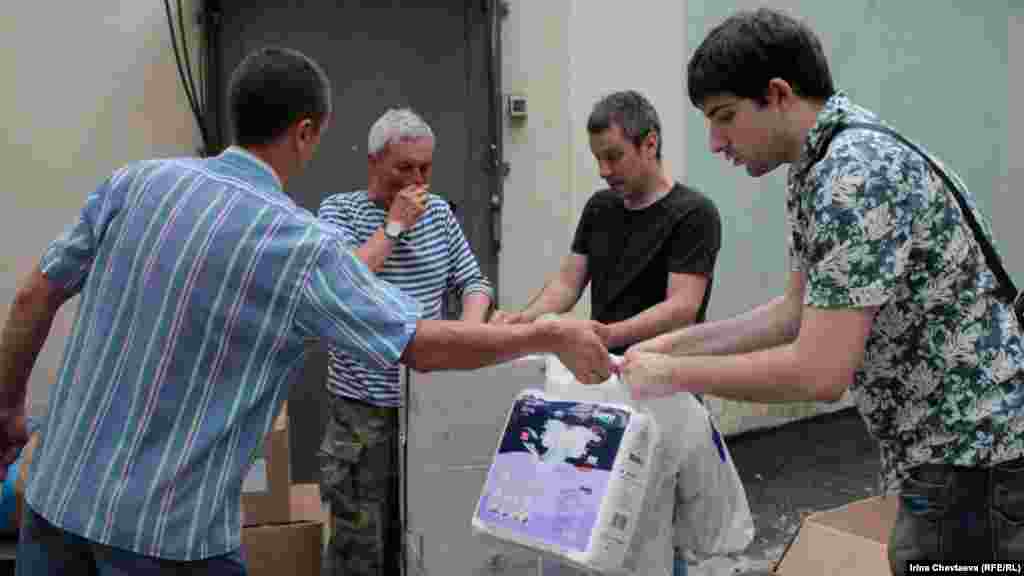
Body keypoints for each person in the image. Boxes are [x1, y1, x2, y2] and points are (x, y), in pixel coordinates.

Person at [0, 46, 611, 575]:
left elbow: (32, 297)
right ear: (306, 132)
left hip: (54, 503)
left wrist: (6, 408)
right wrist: (545, 335)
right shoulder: (299, 241)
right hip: (167, 537)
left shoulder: (134, 183)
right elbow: (421, 344)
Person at [618, 8, 1024, 572]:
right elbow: (793, 313)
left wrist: (672, 376)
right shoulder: (818, 165)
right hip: (947, 459)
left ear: (778, 94)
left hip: (975, 463)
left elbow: (819, 372)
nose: (715, 142)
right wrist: (666, 348)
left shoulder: (853, 175)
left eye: (725, 117)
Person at [316, 108, 493, 575]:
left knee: (428, 540)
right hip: (362, 411)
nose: (417, 180)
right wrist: (393, 226)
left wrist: (468, 333)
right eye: (404, 168)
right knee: (360, 548)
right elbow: (342, 286)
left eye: (425, 168)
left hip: (430, 404)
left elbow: (474, 283)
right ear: (374, 162)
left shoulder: (440, 214)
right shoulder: (339, 211)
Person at [490, 90, 721, 359]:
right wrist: (523, 322)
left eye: (613, 157)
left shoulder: (694, 214)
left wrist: (608, 334)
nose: (603, 171)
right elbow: (567, 284)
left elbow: (681, 309)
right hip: (604, 367)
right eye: (598, 159)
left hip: (667, 370)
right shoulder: (599, 207)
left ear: (650, 144)